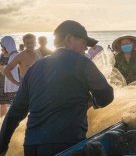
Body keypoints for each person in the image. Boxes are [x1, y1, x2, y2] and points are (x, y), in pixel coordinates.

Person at [0, 20, 114, 156]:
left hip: (32, 145)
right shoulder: (82, 62)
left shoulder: (34, 68)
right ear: (69, 39)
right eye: (83, 43)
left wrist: (2, 145)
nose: (86, 49)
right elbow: (107, 94)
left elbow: (15, 111)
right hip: (67, 144)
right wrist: (91, 102)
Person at [0, 37, 19, 117]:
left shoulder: (15, 55)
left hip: (9, 82)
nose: (1, 46)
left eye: (2, 44)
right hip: (3, 82)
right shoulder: (3, 55)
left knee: (9, 104)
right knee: (3, 103)